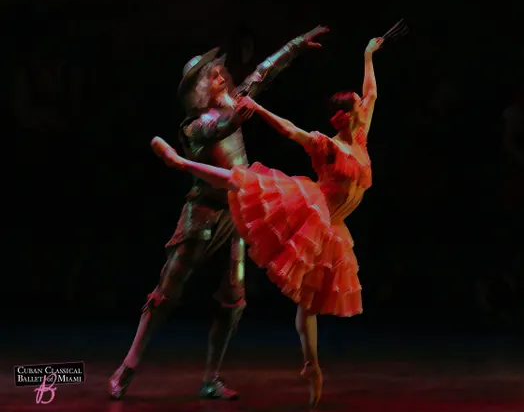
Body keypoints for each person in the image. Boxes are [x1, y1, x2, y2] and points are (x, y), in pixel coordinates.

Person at [150, 36, 385, 407]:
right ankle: (180, 163)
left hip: (333, 229)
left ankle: (310, 364)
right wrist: (258, 109)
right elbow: (290, 130)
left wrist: (368, 54)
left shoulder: (360, 135)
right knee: (243, 181)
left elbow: (371, 93)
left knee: (308, 300)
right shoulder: (327, 145)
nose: (362, 102)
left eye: (359, 101)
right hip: (310, 209)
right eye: (357, 103)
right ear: (344, 115)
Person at [108, 25, 329, 401]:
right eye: (213, 76)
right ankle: (127, 366)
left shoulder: (231, 104)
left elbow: (261, 74)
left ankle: (211, 378)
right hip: (202, 217)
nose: (222, 77)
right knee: (166, 293)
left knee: (234, 299)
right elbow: (226, 124)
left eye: (219, 72)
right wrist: (242, 109)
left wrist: (295, 46)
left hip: (236, 215)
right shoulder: (196, 126)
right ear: (199, 89)